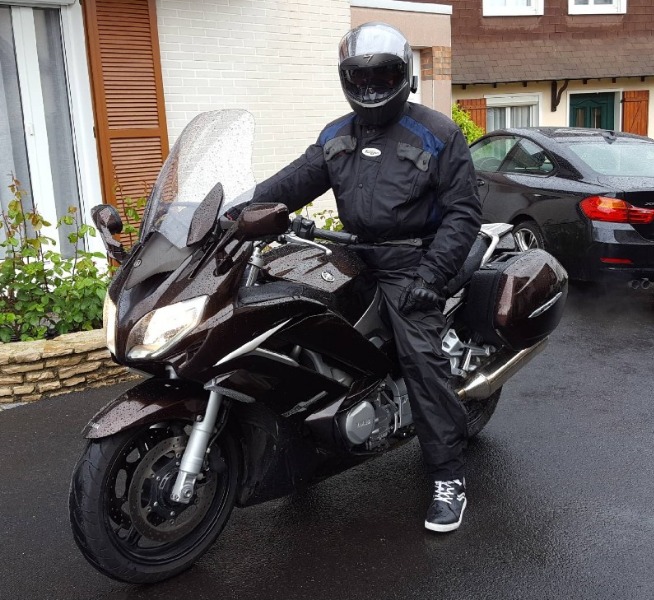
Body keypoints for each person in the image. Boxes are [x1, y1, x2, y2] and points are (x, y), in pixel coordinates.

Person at [228, 22, 482, 532]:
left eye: (382, 75)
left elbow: (463, 213)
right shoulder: (336, 136)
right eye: (360, 77)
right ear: (346, 79)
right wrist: (230, 214)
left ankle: (448, 478)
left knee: (421, 359)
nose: (370, 86)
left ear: (403, 76)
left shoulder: (437, 132)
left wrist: (432, 275)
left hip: (413, 262)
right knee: (292, 325)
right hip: (353, 253)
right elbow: (288, 184)